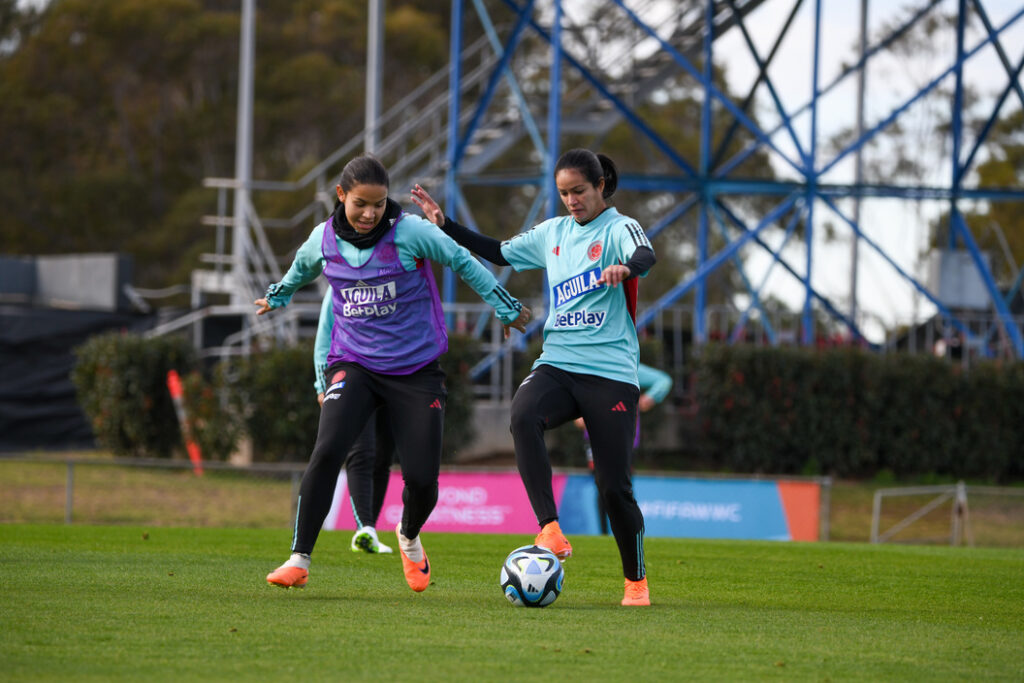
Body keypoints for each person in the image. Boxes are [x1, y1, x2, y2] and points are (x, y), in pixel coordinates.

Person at [256, 155, 530, 592]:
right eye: (361, 203)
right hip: (354, 363)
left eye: (379, 205)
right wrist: (278, 296)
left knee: (422, 478)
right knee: (328, 451)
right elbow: (300, 270)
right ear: (341, 196)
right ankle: (299, 559)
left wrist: (504, 304)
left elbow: (461, 261)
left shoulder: (411, 233)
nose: (370, 214)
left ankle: (408, 534)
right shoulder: (321, 240)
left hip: (416, 369)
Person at [411, 148, 656, 606]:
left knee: (614, 488)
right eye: (564, 193)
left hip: (611, 375)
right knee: (523, 414)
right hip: (558, 363)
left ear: (601, 185)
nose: (571, 200)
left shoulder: (620, 228)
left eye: (579, 191)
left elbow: (646, 253)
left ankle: (635, 581)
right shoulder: (553, 232)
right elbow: (499, 252)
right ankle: (549, 528)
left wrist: (627, 267)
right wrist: (445, 225)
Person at [313, 288, 393, 554]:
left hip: (395, 376)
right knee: (362, 449)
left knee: (383, 454)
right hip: (353, 374)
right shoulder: (343, 278)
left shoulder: (397, 279)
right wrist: (320, 383)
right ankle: (365, 527)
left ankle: (369, 528)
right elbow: (325, 334)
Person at [575, 361, 672, 535]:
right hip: (595, 439)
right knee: (602, 485)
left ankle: (626, 532)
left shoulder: (628, 366)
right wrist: (577, 412)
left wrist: (651, 398)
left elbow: (663, 381)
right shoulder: (590, 364)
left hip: (625, 438)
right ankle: (604, 534)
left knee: (622, 487)